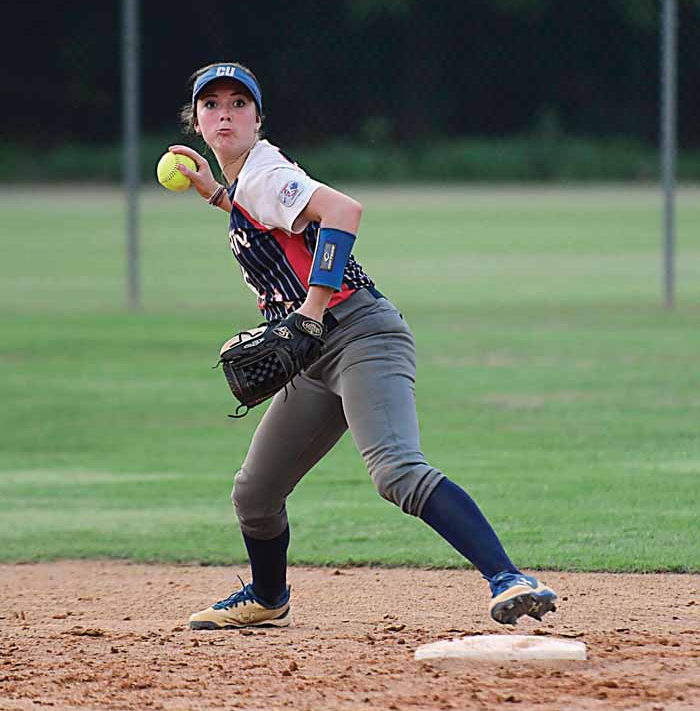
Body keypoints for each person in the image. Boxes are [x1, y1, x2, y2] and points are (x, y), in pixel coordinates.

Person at [171, 61, 557, 630]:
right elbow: (278, 219)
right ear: (196, 123)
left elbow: (342, 212)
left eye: (238, 104)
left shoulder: (261, 172)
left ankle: (509, 577)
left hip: (358, 334)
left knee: (396, 472)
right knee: (255, 493)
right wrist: (217, 196)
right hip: (312, 351)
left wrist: (310, 307)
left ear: (258, 118)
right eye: (212, 105)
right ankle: (268, 596)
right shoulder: (249, 179)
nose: (224, 114)